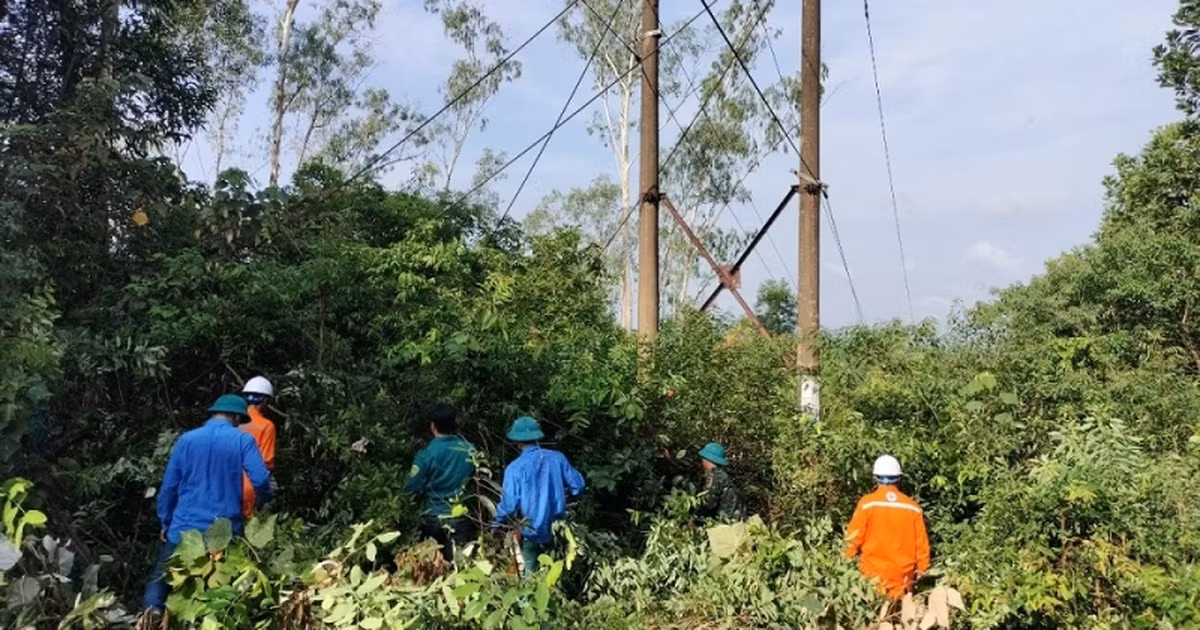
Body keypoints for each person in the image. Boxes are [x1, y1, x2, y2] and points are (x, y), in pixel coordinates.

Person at [142, 394, 271, 617]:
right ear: (235, 417)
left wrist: (165, 520)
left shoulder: (187, 440)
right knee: (223, 591)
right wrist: (260, 502)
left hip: (184, 527)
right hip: (225, 531)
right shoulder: (242, 440)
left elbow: (170, 485)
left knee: (161, 576)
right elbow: (260, 480)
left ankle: (151, 613)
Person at [493, 416, 585, 578]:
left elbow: (509, 505)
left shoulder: (515, 468)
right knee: (555, 576)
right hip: (558, 530)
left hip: (529, 532)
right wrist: (562, 497)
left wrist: (496, 523)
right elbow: (578, 486)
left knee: (529, 580)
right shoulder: (558, 458)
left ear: (517, 442)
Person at [843, 455, 931, 599]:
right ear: (898, 477)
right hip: (903, 579)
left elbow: (853, 538)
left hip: (871, 578)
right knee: (898, 617)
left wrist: (845, 561)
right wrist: (922, 569)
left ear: (876, 477)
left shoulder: (866, 504)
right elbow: (921, 544)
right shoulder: (912, 507)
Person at [404, 403, 478, 563]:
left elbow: (411, 487)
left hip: (432, 516)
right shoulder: (470, 450)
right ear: (455, 425)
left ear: (432, 426)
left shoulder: (426, 454)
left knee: (432, 567)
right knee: (461, 568)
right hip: (460, 515)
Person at [239, 376, 277, 519]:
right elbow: (266, 462)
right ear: (266, 401)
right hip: (250, 488)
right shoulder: (266, 426)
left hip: (225, 485)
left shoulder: (232, 421)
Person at [695, 442, 745, 522]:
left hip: (728, 520)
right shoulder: (722, 474)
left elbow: (709, 503)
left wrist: (695, 517)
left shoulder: (715, 476)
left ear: (707, 459)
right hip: (735, 517)